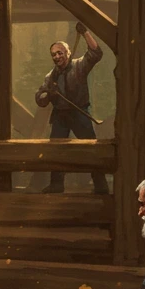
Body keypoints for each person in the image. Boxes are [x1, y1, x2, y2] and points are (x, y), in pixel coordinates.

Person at [35, 23, 109, 195]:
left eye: (60, 53)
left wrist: (85, 32)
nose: (57, 57)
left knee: (91, 149)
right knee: (56, 150)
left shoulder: (79, 66)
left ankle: (101, 185)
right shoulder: (50, 76)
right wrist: (47, 95)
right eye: (54, 54)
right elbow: (40, 99)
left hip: (79, 113)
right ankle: (56, 185)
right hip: (60, 116)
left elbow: (96, 53)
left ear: (68, 53)